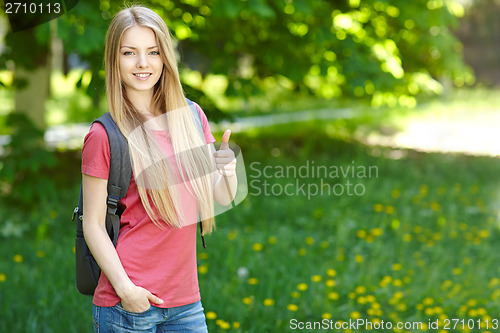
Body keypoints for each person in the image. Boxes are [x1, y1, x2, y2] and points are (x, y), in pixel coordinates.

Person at [81, 5, 237, 332]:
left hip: (186, 303)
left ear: (165, 57)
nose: (143, 63)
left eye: (153, 52)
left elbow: (220, 197)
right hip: (128, 304)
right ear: (114, 60)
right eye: (129, 53)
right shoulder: (104, 135)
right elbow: (92, 224)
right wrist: (126, 290)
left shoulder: (192, 117)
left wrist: (228, 170)